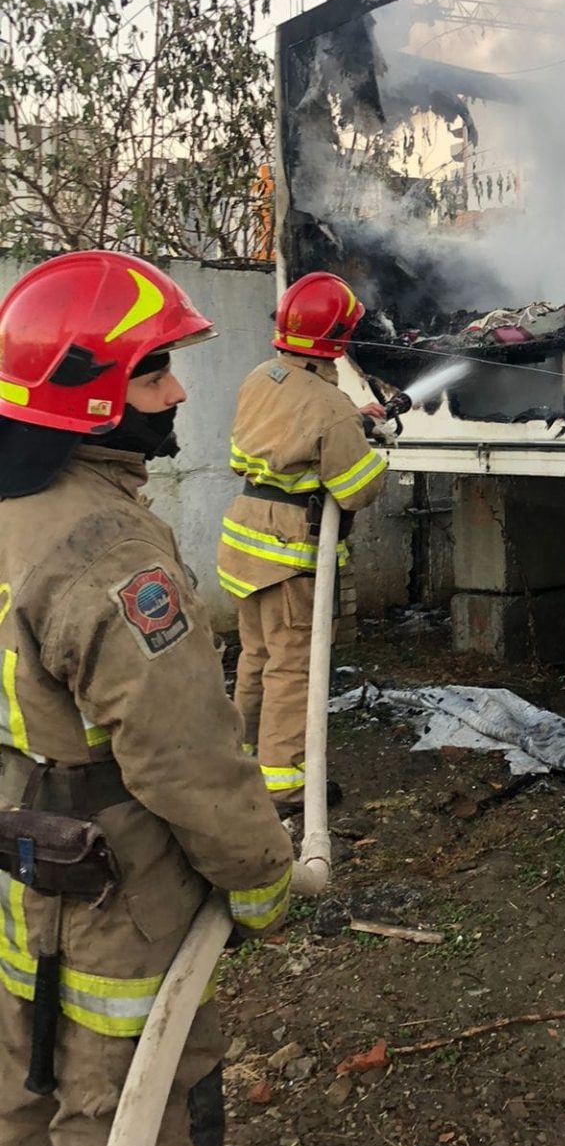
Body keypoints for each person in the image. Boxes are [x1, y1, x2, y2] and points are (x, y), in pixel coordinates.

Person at [0, 249, 294, 1146]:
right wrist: (259, 876)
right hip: (114, 890)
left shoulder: (17, 512)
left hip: (20, 859)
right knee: (125, 1110)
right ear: (88, 392)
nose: (175, 394)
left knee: (19, 1091)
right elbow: (182, 755)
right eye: (154, 371)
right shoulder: (107, 550)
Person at [218, 271, 389, 812]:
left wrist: (351, 424)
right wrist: (373, 449)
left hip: (245, 543)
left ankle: (239, 760)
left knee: (255, 657)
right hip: (291, 555)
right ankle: (284, 783)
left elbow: (290, 433)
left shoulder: (261, 376)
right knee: (293, 669)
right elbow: (357, 491)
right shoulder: (330, 405)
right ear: (339, 338)